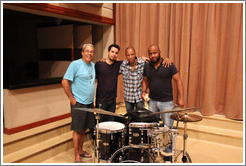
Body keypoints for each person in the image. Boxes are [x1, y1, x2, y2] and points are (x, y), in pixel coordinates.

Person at [142, 44, 184, 161]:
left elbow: (178, 81)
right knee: (152, 127)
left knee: (168, 128)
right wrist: (144, 91)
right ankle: (153, 148)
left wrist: (181, 98)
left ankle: (168, 152)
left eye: (155, 53)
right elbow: (145, 80)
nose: (152, 55)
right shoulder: (147, 66)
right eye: (150, 53)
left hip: (167, 102)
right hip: (152, 102)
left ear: (159, 52)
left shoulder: (168, 64)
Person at [62, 44, 95, 163]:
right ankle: (76, 154)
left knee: (83, 129)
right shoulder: (75, 64)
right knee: (77, 129)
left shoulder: (93, 65)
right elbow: (64, 81)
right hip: (79, 103)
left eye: (92, 52)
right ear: (82, 52)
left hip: (89, 103)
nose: (89, 53)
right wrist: (71, 97)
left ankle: (81, 150)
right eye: (87, 51)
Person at [95, 44, 122, 122]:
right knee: (100, 124)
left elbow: (131, 60)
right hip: (101, 100)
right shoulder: (99, 64)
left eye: (116, 53)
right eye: (112, 52)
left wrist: (141, 58)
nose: (114, 54)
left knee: (111, 123)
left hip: (112, 100)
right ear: (108, 52)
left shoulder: (118, 64)